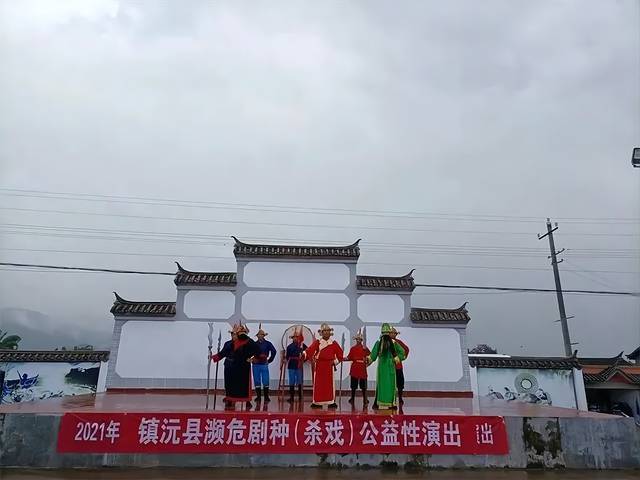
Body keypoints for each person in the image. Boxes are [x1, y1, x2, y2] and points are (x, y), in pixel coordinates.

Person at [211, 323, 260, 409]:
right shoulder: (228, 344)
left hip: (242, 367)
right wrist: (214, 357)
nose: (233, 335)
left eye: (235, 334)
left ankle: (247, 401)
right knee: (229, 385)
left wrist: (253, 359)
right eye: (232, 334)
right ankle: (230, 400)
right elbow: (222, 353)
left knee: (243, 385)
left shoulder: (248, 342)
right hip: (229, 367)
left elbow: (257, 350)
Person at [302, 323, 343, 409]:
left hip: (329, 367)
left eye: (328, 331)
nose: (326, 332)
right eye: (324, 331)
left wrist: (335, 362)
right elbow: (310, 350)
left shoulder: (333, 343)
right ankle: (317, 402)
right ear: (321, 333)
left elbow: (340, 354)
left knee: (329, 385)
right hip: (319, 366)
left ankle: (331, 401)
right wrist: (304, 354)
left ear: (330, 332)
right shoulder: (317, 342)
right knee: (319, 385)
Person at [367, 323, 406, 410]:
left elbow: (403, 352)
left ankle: (391, 403)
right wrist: (367, 360)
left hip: (390, 368)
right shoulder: (379, 343)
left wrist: (396, 359)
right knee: (382, 386)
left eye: (386, 334)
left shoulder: (394, 343)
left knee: (391, 386)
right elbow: (373, 355)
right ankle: (380, 403)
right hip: (382, 369)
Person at [252, 324, 277, 403]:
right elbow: (250, 352)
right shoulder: (254, 344)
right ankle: (258, 397)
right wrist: (251, 359)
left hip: (264, 364)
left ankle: (266, 397)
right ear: (257, 336)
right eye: (259, 335)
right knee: (257, 380)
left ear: (264, 336)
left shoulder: (268, 344)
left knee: (265, 380)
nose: (260, 336)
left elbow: (274, 351)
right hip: (256, 365)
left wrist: (270, 360)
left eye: (261, 335)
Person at [346, 329, 370, 406]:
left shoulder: (365, 349)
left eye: (359, 339)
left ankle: (365, 399)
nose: (358, 340)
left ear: (361, 340)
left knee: (363, 386)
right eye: (357, 339)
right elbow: (349, 357)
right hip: (355, 367)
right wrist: (343, 359)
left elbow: (370, 357)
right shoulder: (353, 348)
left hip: (362, 368)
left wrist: (367, 361)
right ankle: (352, 398)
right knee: (353, 386)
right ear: (356, 340)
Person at [284, 328, 307, 403]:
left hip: (299, 365)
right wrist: (285, 359)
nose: (296, 338)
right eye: (294, 337)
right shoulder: (289, 347)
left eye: (297, 337)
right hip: (291, 365)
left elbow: (307, 353)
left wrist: (303, 359)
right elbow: (287, 357)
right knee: (291, 381)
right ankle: (291, 397)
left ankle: (300, 397)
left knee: (299, 381)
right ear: (292, 338)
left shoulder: (302, 346)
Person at [389, 326, 409, 405]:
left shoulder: (399, 342)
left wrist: (401, 358)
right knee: (390, 384)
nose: (393, 334)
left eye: (394, 333)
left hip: (398, 366)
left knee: (400, 384)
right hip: (389, 366)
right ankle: (390, 398)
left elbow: (406, 349)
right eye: (391, 333)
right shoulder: (386, 343)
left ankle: (400, 398)